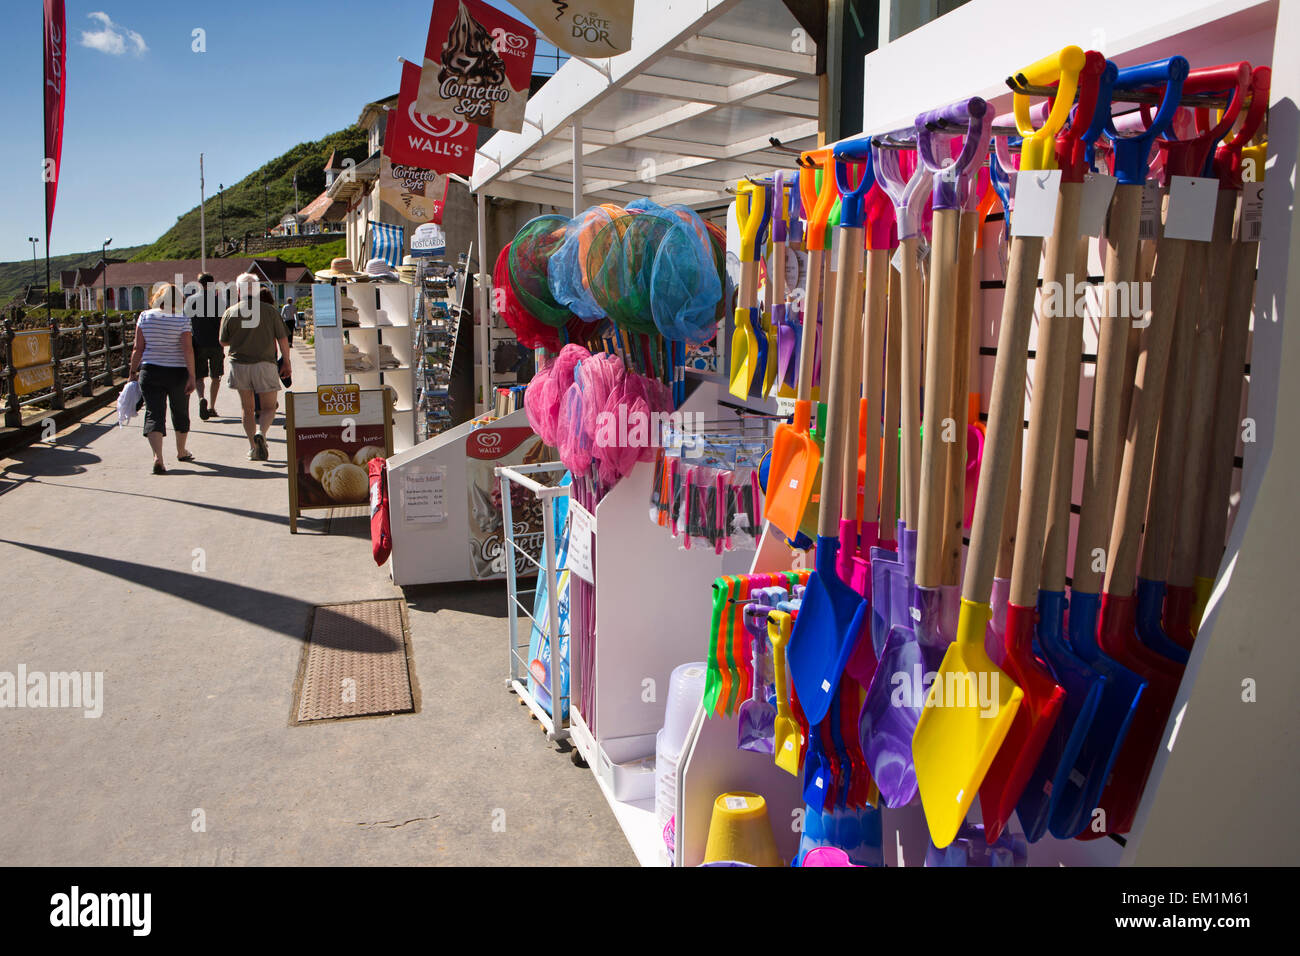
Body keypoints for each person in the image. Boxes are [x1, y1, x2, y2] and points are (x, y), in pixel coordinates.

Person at [220, 273, 290, 461]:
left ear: (238, 290)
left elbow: (223, 341)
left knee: (247, 409)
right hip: (265, 364)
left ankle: (253, 446)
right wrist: (287, 360)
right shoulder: (270, 311)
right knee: (268, 407)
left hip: (239, 365)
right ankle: (262, 432)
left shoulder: (230, 312)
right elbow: (282, 338)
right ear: (258, 289)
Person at [128, 282, 196, 474]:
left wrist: (132, 372)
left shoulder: (145, 316)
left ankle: (158, 456)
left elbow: (137, 348)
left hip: (151, 371)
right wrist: (192, 375)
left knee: (154, 413)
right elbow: (187, 349)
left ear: (158, 298)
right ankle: (182, 451)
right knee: (180, 411)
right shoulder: (182, 318)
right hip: (177, 372)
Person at [191, 272, 224, 420]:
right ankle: (211, 406)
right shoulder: (219, 302)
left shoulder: (191, 300)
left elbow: (186, 322)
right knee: (215, 376)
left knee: (199, 376)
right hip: (216, 343)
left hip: (198, 343)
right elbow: (224, 323)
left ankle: (201, 398)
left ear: (199, 284)